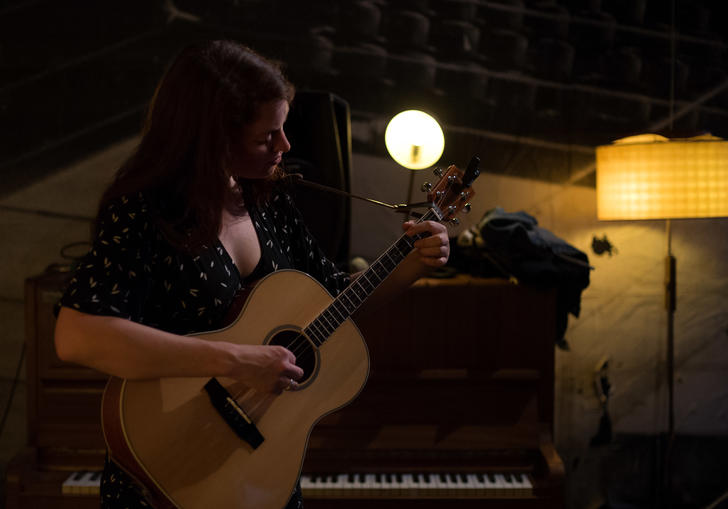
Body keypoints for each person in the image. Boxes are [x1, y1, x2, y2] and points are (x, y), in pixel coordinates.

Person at [53, 39, 450, 509]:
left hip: (259, 471)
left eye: (283, 129)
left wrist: (411, 266)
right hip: (166, 469)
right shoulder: (145, 210)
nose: (285, 145)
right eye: (267, 136)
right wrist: (238, 361)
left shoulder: (267, 196)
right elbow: (77, 336)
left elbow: (332, 301)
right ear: (212, 138)